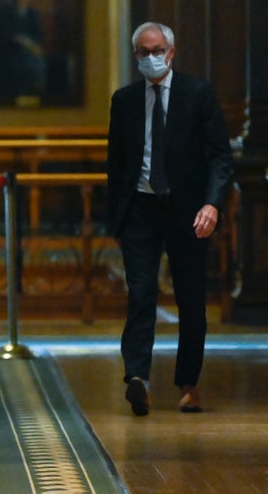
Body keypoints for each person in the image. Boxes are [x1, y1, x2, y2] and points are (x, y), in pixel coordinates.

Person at [107, 22, 233, 416]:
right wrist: (118, 219)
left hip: (187, 210)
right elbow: (117, 162)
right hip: (141, 210)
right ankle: (137, 377)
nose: (150, 57)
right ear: (135, 56)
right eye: (142, 52)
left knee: (190, 299)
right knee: (141, 292)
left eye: (156, 49)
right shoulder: (124, 100)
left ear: (172, 52)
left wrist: (212, 204)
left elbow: (220, 157)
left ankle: (188, 383)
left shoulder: (198, 94)